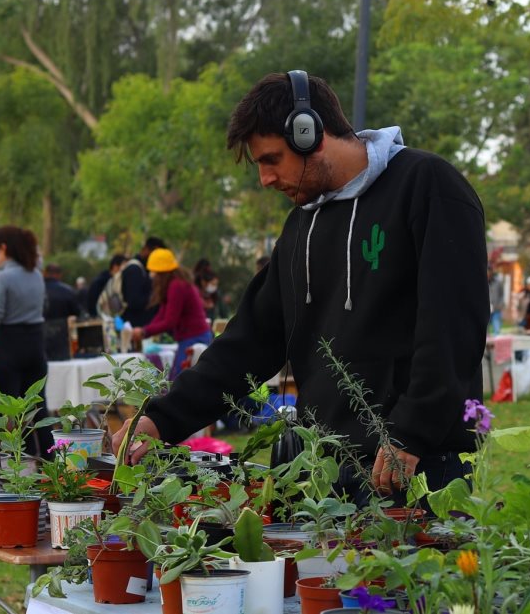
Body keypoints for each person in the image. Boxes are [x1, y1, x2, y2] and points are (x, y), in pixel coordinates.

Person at [111, 70, 488, 502]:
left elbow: (453, 328)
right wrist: (161, 419)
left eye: (271, 159)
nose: (265, 179)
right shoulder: (300, 226)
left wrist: (411, 433)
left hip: (415, 467)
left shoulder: (427, 185)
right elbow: (248, 342)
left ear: (310, 133)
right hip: (323, 474)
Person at [0, 226, 52, 456]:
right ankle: (49, 460)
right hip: (35, 344)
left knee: (8, 411)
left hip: (9, 347)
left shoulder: (3, 277)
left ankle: (16, 463)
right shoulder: (35, 274)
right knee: (38, 407)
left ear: (4, 248)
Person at [130, 248, 212, 379]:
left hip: (194, 338)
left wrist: (144, 332)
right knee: (178, 382)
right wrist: (144, 331)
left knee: (178, 382)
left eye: (154, 272)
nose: (152, 276)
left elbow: (169, 321)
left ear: (162, 273)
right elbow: (161, 315)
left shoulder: (176, 286)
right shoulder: (174, 284)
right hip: (192, 337)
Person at [120, 237, 166, 327]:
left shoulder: (144, 270)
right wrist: (156, 298)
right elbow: (134, 301)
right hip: (133, 327)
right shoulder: (134, 270)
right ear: (146, 250)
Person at [43, 263, 83, 360]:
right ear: (60, 275)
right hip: (63, 336)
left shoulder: (37, 290)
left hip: (41, 336)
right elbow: (77, 313)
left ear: (45, 273)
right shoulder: (67, 290)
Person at [487, 266, 504, 334]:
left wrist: (500, 305)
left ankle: (496, 341)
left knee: (496, 327)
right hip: (485, 309)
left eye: (489, 272)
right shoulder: (480, 282)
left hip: (496, 308)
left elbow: (502, 294)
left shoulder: (498, 282)